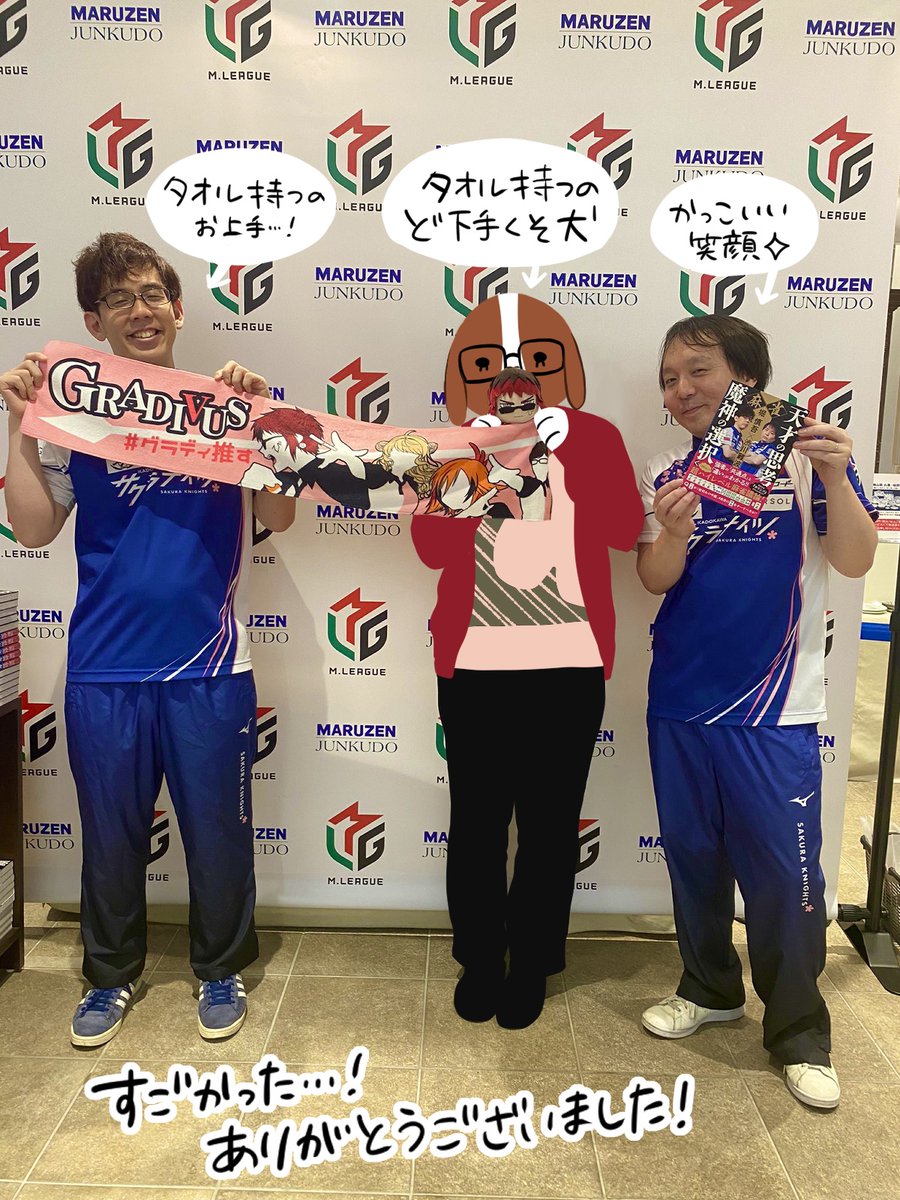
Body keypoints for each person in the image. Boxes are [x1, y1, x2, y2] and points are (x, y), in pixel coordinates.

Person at [0, 232, 295, 1047]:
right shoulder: (71, 416)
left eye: (152, 294)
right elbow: (33, 529)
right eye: (119, 299)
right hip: (103, 669)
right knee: (110, 838)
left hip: (210, 666)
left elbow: (279, 514)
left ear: (178, 308)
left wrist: (265, 425)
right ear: (95, 323)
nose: (140, 311)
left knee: (218, 834)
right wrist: (21, 426)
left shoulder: (222, 406)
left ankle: (221, 967)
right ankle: (108, 976)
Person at [636, 314, 877, 1110]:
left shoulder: (809, 460)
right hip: (679, 701)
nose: (681, 390)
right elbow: (654, 577)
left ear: (747, 377)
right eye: (669, 379)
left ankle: (800, 1031)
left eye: (697, 371)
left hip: (775, 710)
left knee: (785, 881)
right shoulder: (666, 468)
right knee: (693, 860)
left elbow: (854, 560)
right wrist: (673, 531)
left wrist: (837, 477)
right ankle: (708, 988)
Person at [412, 293, 643, 1030]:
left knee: (550, 824)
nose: (514, 380)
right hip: (475, 660)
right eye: (494, 368)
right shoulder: (453, 442)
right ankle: (480, 956)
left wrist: (562, 457)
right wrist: (472, 468)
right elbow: (430, 550)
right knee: (477, 822)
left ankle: (535, 959)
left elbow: (623, 529)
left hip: (569, 658)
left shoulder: (594, 436)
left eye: (534, 362)